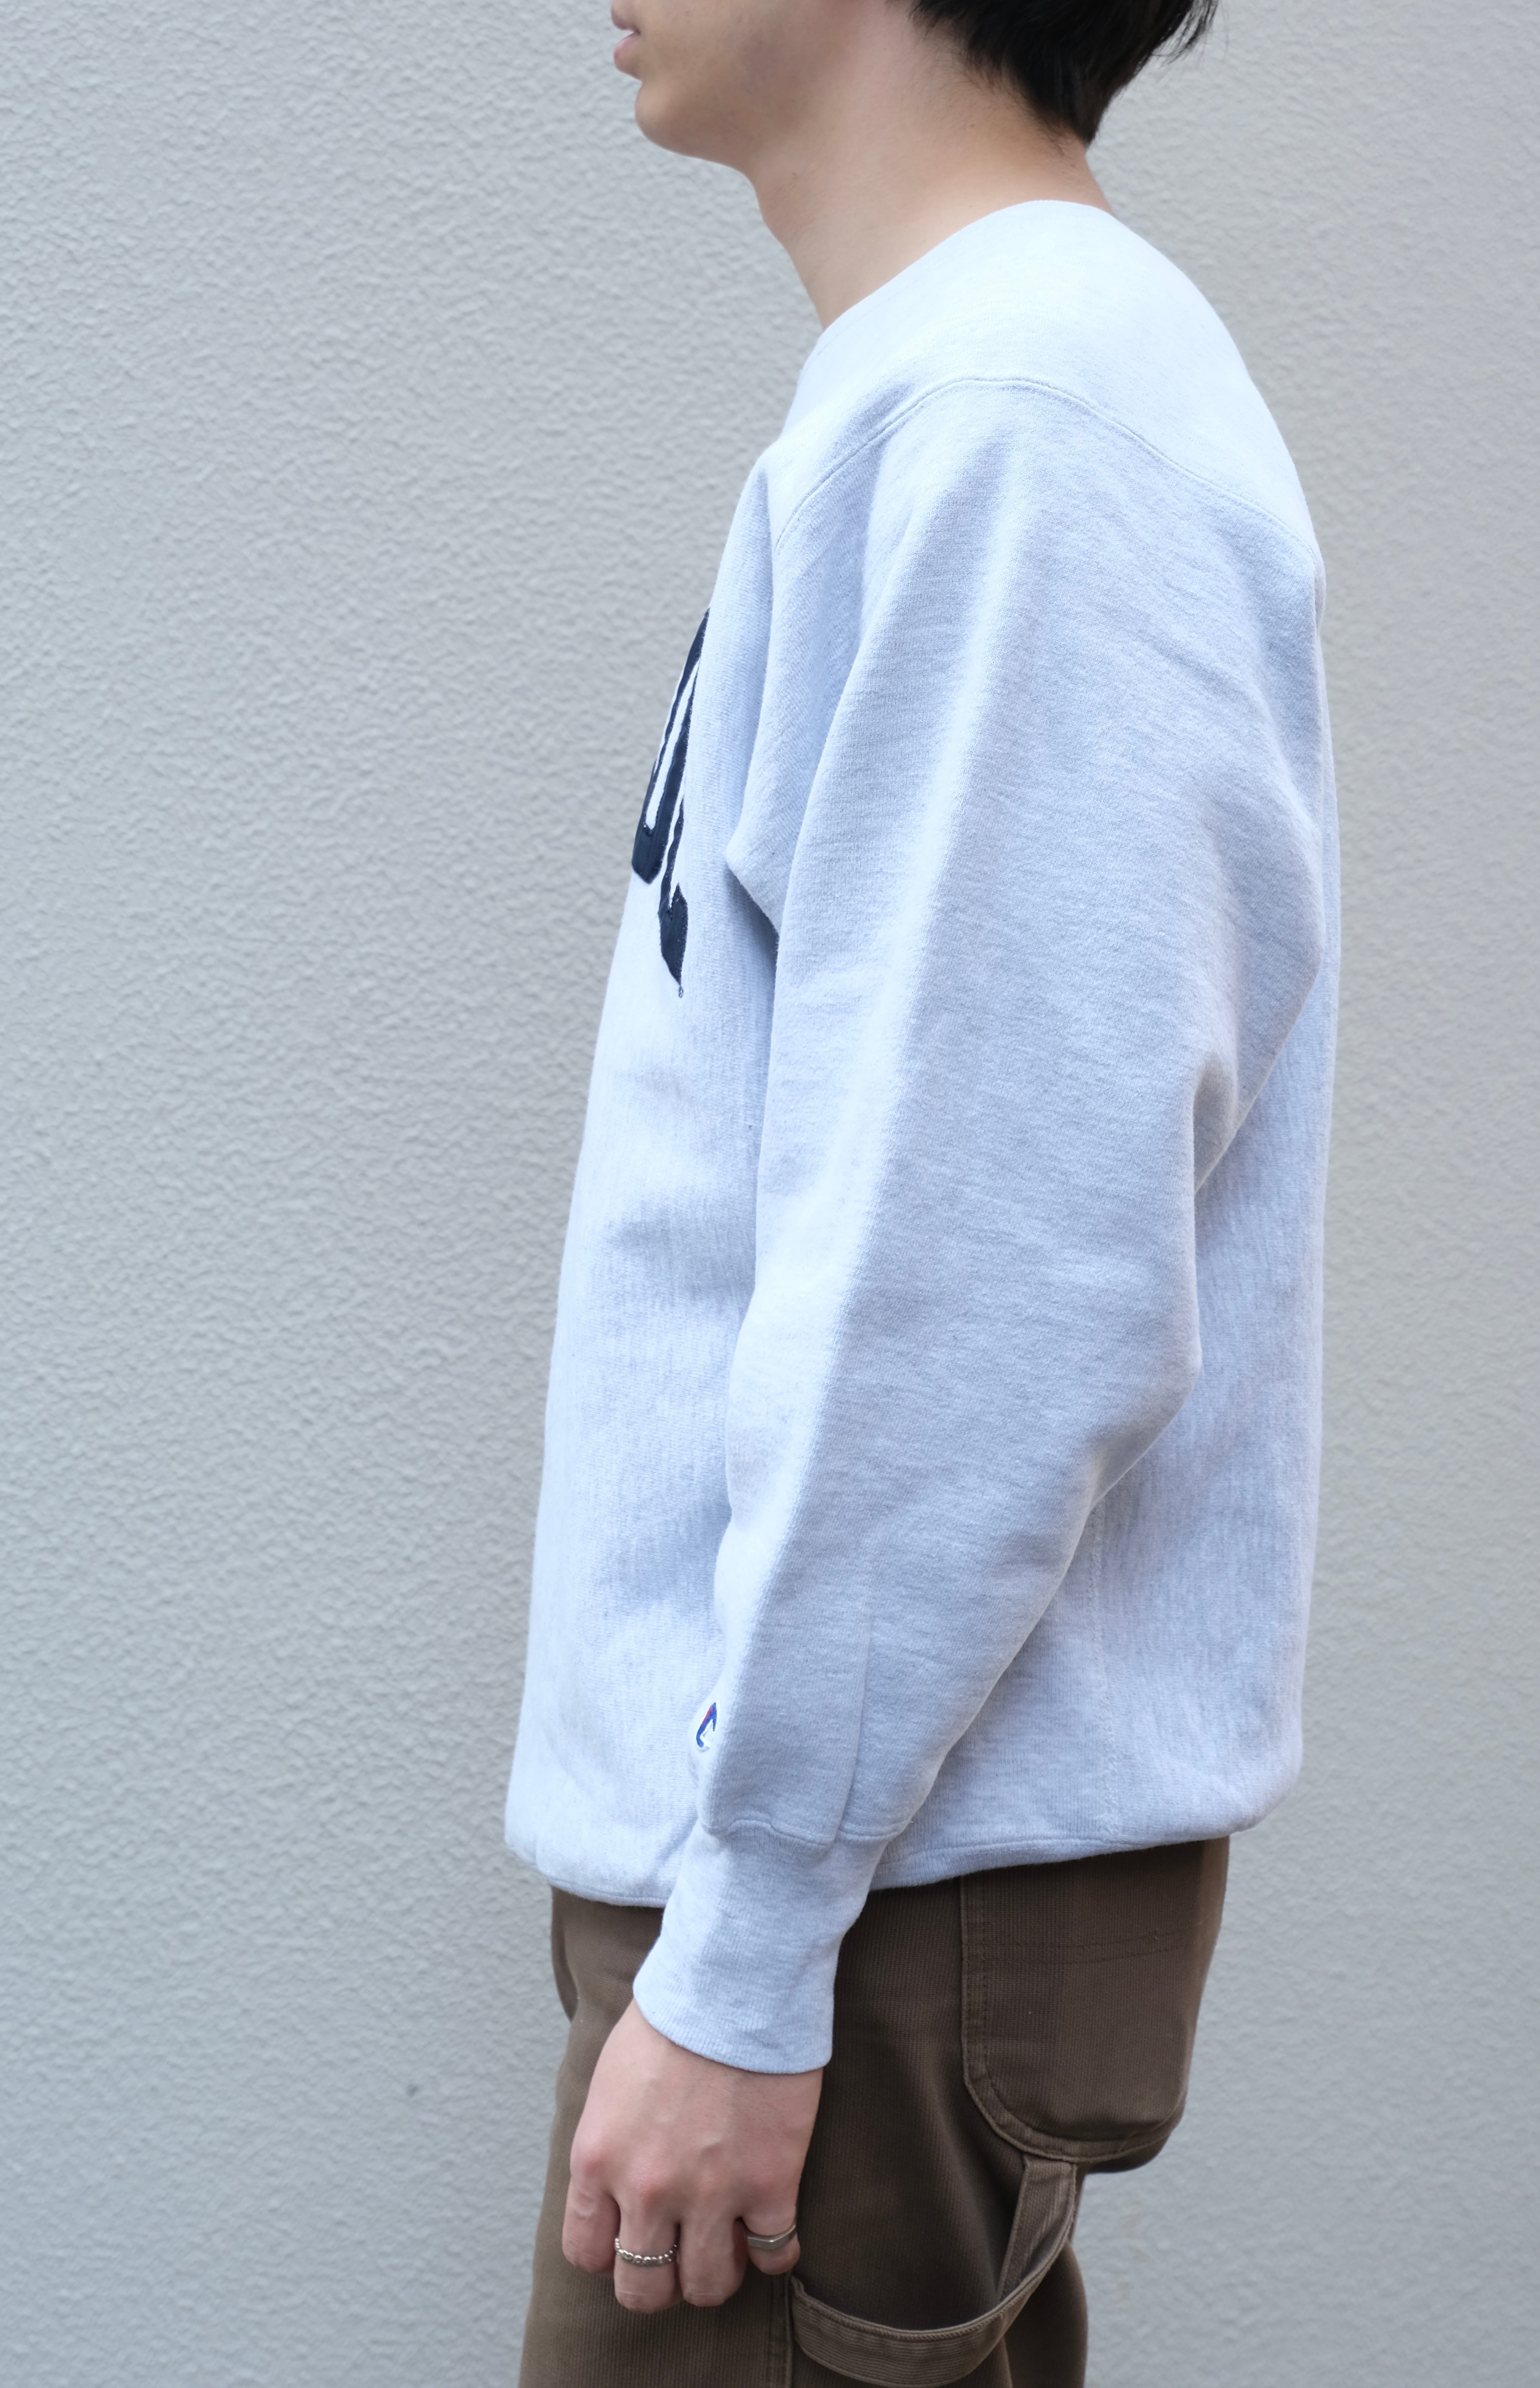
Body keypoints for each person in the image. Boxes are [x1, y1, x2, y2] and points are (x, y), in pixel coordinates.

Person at [506, 0, 1338, 2378]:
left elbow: (995, 1278)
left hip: (855, 1908)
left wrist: (753, 1938)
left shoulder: (1019, 424)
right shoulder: (961, 397)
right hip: (843, 1885)